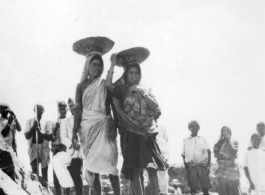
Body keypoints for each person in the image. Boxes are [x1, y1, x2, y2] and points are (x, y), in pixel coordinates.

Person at [105, 52, 167, 195]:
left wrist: (142, 92)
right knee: (134, 170)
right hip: (131, 133)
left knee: (152, 168)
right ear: (125, 74)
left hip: (147, 134)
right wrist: (113, 64)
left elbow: (156, 108)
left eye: (136, 73)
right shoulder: (122, 89)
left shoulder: (145, 89)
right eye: (130, 73)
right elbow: (108, 85)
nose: (134, 75)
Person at [72, 52, 120, 195]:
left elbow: (113, 107)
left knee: (112, 166)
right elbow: (78, 110)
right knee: (93, 169)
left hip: (105, 126)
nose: (97, 68)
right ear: (87, 66)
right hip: (87, 129)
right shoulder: (80, 86)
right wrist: (74, 131)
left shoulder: (105, 84)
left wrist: (114, 125)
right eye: (94, 64)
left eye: (100, 65)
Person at [53, 98, 83, 195]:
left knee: (83, 177)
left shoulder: (83, 118)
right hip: (72, 152)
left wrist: (80, 144)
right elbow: (63, 137)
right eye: (70, 106)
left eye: (73, 105)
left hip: (83, 152)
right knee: (75, 177)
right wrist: (72, 144)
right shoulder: (66, 121)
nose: (72, 108)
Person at [24, 104, 55, 182]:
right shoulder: (29, 121)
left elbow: (50, 137)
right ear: (34, 111)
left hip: (44, 148)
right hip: (33, 148)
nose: (38, 112)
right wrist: (33, 128)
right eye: (37, 110)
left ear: (43, 111)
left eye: (40, 110)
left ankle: (46, 192)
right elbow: (27, 136)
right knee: (35, 174)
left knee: (44, 174)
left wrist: (40, 132)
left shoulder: (47, 122)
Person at [181, 120, 212, 195]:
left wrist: (208, 166)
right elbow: (183, 155)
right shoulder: (186, 140)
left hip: (202, 166)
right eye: (192, 126)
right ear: (189, 128)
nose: (194, 128)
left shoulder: (203, 139)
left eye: (196, 126)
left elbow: (209, 153)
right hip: (191, 167)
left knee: (205, 187)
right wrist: (187, 168)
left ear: (198, 128)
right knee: (193, 188)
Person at [213, 126, 241, 195]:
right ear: (222, 132)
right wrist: (227, 157)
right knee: (223, 189)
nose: (225, 132)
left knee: (234, 188)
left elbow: (234, 152)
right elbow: (216, 154)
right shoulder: (219, 143)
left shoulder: (235, 142)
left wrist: (229, 142)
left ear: (230, 131)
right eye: (223, 131)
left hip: (232, 168)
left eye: (227, 130)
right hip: (222, 168)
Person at [51, 101, 70, 195]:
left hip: (67, 151)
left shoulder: (70, 121)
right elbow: (52, 138)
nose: (62, 111)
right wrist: (55, 129)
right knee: (56, 177)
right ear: (58, 110)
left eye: (64, 109)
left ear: (67, 110)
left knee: (67, 176)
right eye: (60, 109)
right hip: (56, 151)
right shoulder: (55, 123)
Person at [155, 112, 170, 195]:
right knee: (153, 178)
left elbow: (166, 139)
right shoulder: (147, 125)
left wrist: (166, 157)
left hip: (163, 154)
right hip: (152, 154)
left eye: (157, 113)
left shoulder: (162, 126)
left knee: (163, 178)